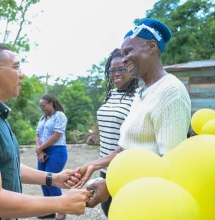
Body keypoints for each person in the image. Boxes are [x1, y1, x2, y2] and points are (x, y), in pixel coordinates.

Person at [0, 43, 92, 220]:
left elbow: (3, 165)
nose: (22, 74)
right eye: (16, 67)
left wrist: (53, 178)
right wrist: (61, 203)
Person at [73, 18, 191, 209]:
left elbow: (170, 165)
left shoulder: (170, 91)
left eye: (128, 51)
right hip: (128, 190)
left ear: (151, 47)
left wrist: (111, 185)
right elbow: (126, 148)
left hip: (146, 200)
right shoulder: (143, 92)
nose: (124, 58)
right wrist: (94, 165)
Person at [95, 48, 138, 216]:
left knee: (124, 212)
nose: (116, 73)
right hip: (105, 166)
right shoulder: (111, 94)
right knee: (108, 210)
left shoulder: (139, 96)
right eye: (112, 70)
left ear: (130, 68)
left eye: (121, 68)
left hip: (125, 167)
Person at [35, 94, 68, 220]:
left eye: (43, 106)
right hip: (43, 150)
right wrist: (40, 151)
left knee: (52, 180)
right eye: (40, 107)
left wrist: (40, 148)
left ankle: (62, 209)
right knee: (42, 180)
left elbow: (56, 135)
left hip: (57, 151)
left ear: (51, 104)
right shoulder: (42, 118)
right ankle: (50, 210)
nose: (42, 108)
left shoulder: (59, 116)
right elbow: (37, 134)